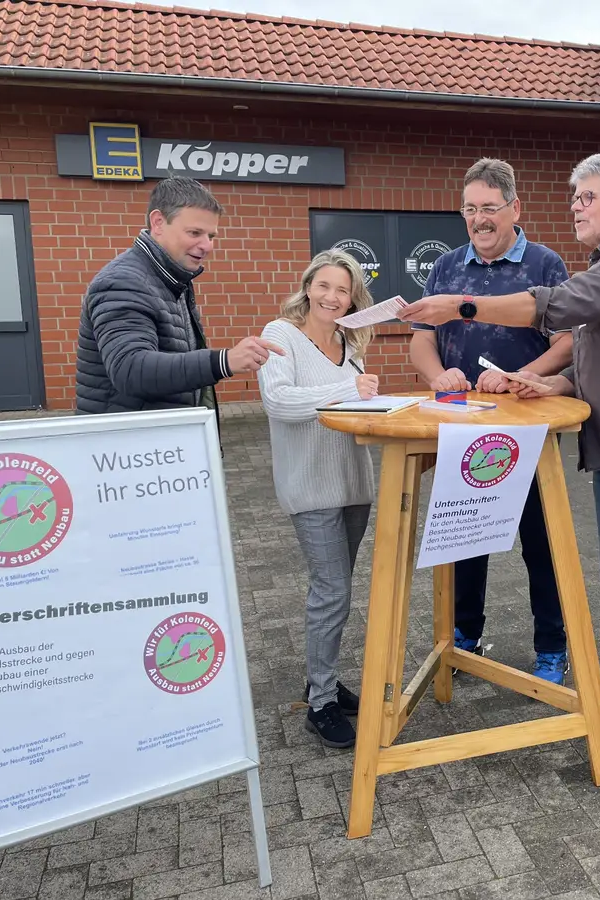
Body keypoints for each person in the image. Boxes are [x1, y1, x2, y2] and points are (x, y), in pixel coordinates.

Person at [396, 152, 600, 798]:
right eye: (574, 196)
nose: (576, 206)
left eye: (586, 196)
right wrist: (542, 382)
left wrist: (462, 306)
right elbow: (591, 366)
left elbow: (555, 306)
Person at [410, 158, 574, 684]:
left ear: (514, 209)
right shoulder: (447, 267)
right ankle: (463, 639)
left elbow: (570, 340)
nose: (479, 219)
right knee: (465, 539)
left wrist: (521, 374)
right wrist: (437, 374)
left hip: (527, 429)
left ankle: (552, 647)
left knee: (540, 544)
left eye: (489, 209)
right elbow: (420, 339)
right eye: (470, 209)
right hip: (465, 428)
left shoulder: (546, 266)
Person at [258, 249, 382, 749]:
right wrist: (346, 388)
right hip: (310, 487)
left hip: (353, 483)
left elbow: (348, 406)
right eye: (324, 286)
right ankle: (321, 703)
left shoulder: (350, 343)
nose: (333, 297)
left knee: (338, 589)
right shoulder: (280, 334)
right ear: (308, 286)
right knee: (331, 591)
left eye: (343, 289)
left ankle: (320, 678)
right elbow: (278, 402)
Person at [76, 176, 284, 414]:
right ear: (158, 223)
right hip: (127, 446)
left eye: (211, 236)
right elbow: (129, 369)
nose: (207, 246)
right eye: (195, 232)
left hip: (161, 443)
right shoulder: (124, 282)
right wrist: (224, 361)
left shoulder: (172, 277)